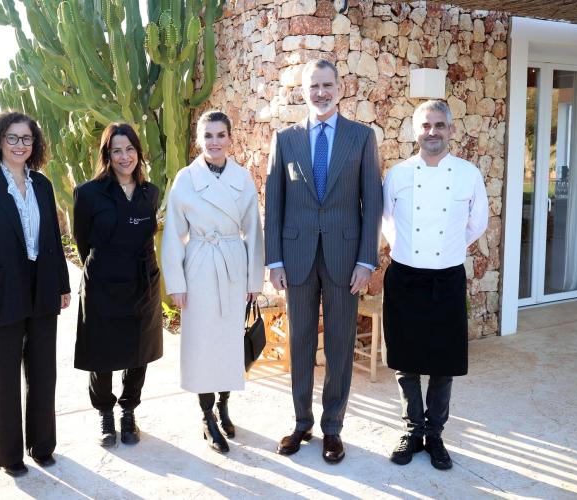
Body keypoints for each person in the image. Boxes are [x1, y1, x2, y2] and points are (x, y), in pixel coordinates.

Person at [264, 59, 383, 463]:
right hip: (296, 257)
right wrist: (274, 261)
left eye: (327, 85)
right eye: (313, 86)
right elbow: (274, 203)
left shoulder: (361, 137)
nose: (321, 93)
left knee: (339, 344)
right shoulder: (285, 139)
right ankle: (302, 423)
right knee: (299, 342)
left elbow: (372, 202)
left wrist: (366, 260)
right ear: (303, 91)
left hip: (345, 259)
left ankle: (333, 428)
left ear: (340, 87)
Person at [382, 100, 488, 470]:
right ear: (415, 131)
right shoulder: (397, 174)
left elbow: (477, 223)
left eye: (440, 125)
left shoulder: (468, 174)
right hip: (405, 276)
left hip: (447, 277)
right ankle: (412, 431)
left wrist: (448, 249)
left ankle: (435, 434)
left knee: (444, 363)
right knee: (405, 362)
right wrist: (408, 250)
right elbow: (386, 221)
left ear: (451, 130)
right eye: (426, 126)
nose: (432, 132)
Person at [0, 111, 71, 476]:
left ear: (34, 144)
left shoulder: (42, 185)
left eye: (26, 138)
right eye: (12, 137)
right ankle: (9, 454)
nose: (19, 145)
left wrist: (62, 285)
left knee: (43, 373)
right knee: (4, 378)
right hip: (1, 293)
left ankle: (42, 445)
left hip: (42, 288)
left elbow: (53, 237)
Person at [161, 110, 264, 454]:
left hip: (233, 266)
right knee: (203, 345)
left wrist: (253, 279)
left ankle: (223, 406)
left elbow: (254, 231)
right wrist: (176, 283)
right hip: (200, 267)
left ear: (230, 138)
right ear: (198, 139)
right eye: (208, 135)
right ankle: (207, 416)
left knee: (229, 344)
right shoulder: (185, 179)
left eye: (221, 135)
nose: (214, 142)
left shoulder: (242, 178)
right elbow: (173, 234)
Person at [72, 123, 163, 448]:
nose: (125, 157)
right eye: (117, 151)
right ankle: (105, 414)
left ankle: (128, 411)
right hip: (102, 284)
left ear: (138, 152)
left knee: (139, 351)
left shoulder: (150, 193)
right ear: (107, 155)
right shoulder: (88, 193)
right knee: (101, 352)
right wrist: (103, 268)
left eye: (130, 149)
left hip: (142, 283)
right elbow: (82, 241)